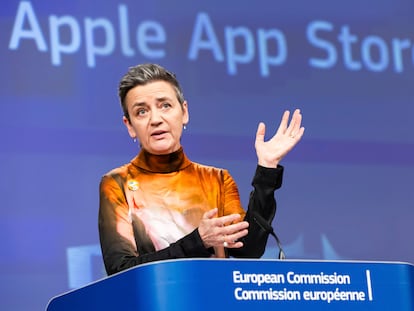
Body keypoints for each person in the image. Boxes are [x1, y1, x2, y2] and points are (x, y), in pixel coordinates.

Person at [98, 63, 304, 276]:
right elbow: (120, 270)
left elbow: (249, 250)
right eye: (141, 112)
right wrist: (198, 241)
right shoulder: (117, 184)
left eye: (165, 106)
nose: (156, 119)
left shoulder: (217, 179)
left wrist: (267, 170)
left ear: (184, 112)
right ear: (130, 126)